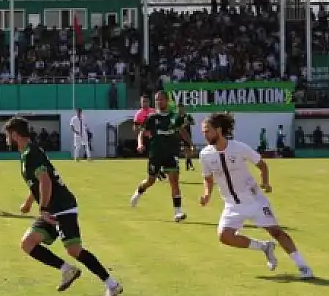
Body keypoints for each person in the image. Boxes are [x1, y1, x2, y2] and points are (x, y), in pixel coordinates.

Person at [5, 117, 122, 296]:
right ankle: (67, 270)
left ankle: (112, 285)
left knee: (74, 250)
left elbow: (45, 181)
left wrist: (43, 208)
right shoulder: (28, 153)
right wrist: (29, 202)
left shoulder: (31, 153)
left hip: (61, 207)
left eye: (7, 135)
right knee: (28, 243)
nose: (6, 139)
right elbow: (37, 183)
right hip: (52, 208)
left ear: (14, 134)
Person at [198, 112, 314, 279]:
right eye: (203, 131)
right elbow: (207, 178)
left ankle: (303, 267)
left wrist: (265, 183)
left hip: (254, 201)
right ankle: (264, 247)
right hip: (231, 204)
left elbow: (262, 165)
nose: (204, 135)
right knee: (224, 236)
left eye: (207, 131)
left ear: (219, 130)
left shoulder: (239, 147)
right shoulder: (205, 155)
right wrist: (207, 194)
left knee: (276, 232)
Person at [130, 91, 191, 222]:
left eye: (161, 99)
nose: (158, 102)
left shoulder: (174, 117)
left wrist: (190, 144)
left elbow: (182, 131)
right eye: (157, 100)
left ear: (167, 100)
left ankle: (178, 212)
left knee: (174, 181)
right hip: (156, 154)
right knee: (150, 181)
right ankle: (139, 192)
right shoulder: (152, 118)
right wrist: (140, 144)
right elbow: (141, 133)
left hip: (171, 153)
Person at [176, 104, 195, 171]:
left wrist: (188, 122)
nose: (180, 109)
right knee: (183, 150)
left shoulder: (187, 116)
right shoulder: (176, 117)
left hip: (187, 135)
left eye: (181, 108)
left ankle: (188, 165)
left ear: (183, 108)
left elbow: (193, 122)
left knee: (188, 150)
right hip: (178, 135)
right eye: (178, 108)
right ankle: (188, 165)